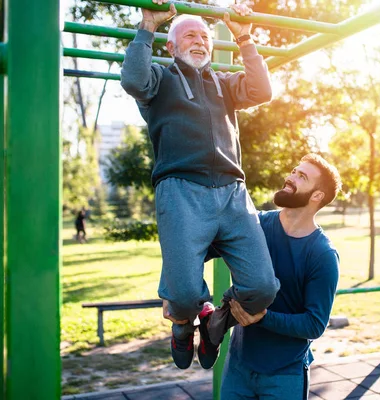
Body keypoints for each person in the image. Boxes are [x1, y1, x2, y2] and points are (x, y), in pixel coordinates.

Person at [121, 0, 280, 371]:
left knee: (262, 289)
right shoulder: (160, 79)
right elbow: (132, 80)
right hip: (182, 191)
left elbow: (262, 90)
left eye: (205, 37)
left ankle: (213, 322)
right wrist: (148, 26)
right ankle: (181, 325)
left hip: (232, 193)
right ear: (171, 47)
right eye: (190, 35)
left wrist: (244, 38)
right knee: (184, 294)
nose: (200, 41)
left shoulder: (224, 83)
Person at [210, 154, 341, 399]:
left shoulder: (322, 254)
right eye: (293, 170)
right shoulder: (255, 224)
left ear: (317, 196)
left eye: (302, 176)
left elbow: (314, 324)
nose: (290, 177)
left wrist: (262, 318)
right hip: (238, 367)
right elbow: (208, 244)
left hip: (285, 374)